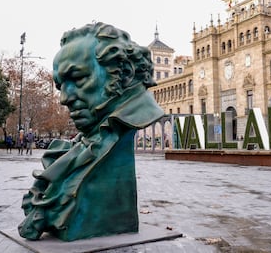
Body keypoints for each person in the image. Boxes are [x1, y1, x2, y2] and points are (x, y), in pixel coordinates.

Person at [18, 22, 164, 241]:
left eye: (77, 79)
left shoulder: (123, 124)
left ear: (124, 73)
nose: (64, 98)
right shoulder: (90, 135)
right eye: (60, 86)